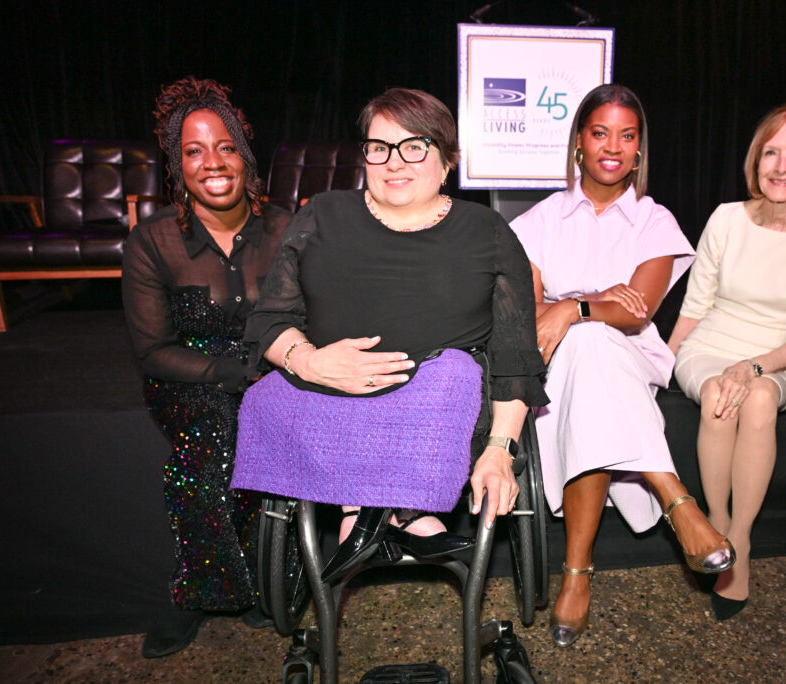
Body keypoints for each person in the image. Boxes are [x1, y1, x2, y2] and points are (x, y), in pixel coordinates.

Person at [231, 88, 547, 583]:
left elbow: (513, 356)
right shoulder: (321, 215)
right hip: (325, 391)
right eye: (380, 147)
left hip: (437, 408)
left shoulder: (487, 231)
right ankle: (394, 514)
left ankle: (367, 513)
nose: (394, 162)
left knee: (455, 375)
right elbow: (268, 319)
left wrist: (499, 450)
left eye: (415, 146)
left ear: (447, 160)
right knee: (266, 400)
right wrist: (309, 360)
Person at [509, 84, 735, 649]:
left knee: (596, 344)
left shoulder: (654, 222)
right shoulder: (541, 219)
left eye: (627, 135)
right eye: (600, 132)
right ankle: (675, 498)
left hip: (628, 357)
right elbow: (528, 311)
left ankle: (576, 571)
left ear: (639, 149)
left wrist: (573, 306)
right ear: (579, 144)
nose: (613, 146)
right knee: (586, 348)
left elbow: (638, 310)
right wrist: (583, 306)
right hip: (557, 361)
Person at [121, 76, 292, 657]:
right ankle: (199, 590)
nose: (211, 162)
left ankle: (271, 578)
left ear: (245, 156)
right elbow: (153, 351)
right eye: (193, 150)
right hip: (188, 375)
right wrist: (237, 373)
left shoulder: (286, 228)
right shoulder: (152, 241)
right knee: (211, 446)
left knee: (279, 434)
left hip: (279, 372)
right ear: (177, 165)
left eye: (224, 146)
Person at [667, 102, 786, 621]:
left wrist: (753, 368)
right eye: (771, 152)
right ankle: (715, 524)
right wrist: (662, 362)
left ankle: (739, 543)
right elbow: (694, 306)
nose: (781, 165)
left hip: (779, 357)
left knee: (761, 396)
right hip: (710, 345)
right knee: (718, 397)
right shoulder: (727, 217)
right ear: (757, 159)